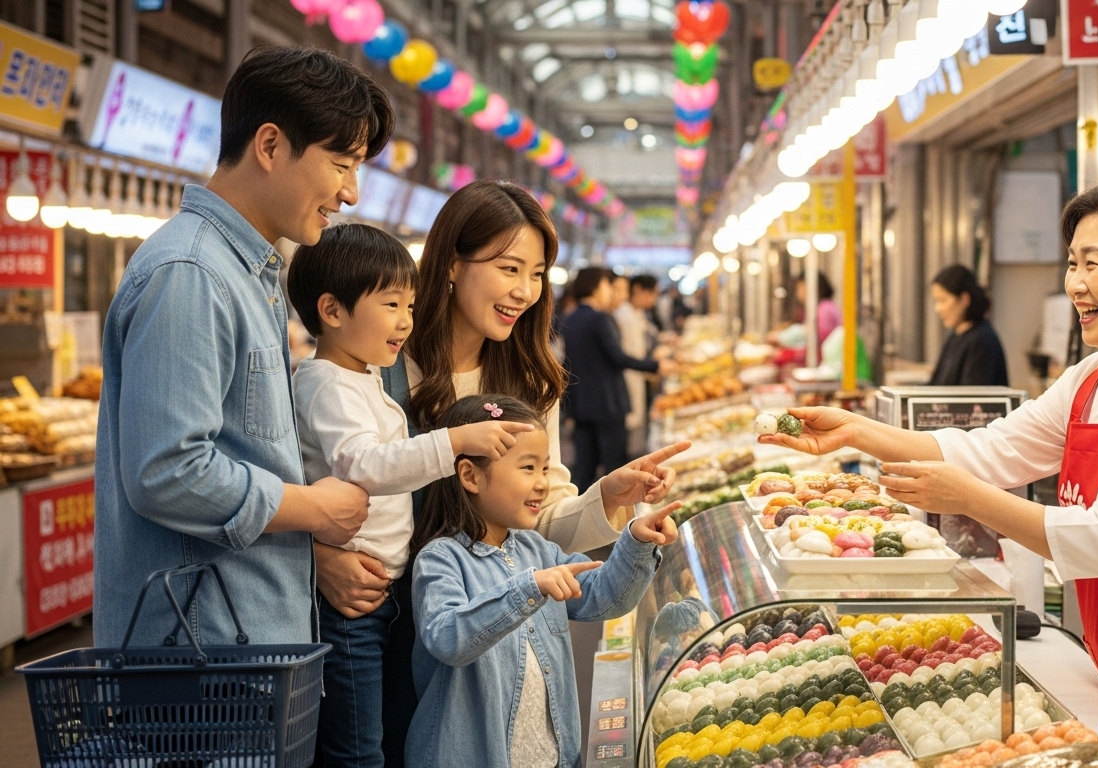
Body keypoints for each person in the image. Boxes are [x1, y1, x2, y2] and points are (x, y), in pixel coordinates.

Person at [761, 178, 1098, 768]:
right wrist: (856, 430)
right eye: (1071, 263)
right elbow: (991, 449)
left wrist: (970, 499)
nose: (1075, 283)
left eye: (1093, 263)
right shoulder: (1090, 379)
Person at [300, 180, 685, 768]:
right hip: (378, 613)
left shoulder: (528, 381)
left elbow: (539, 523)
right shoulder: (379, 356)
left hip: (486, 634)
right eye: (509, 268)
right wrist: (319, 554)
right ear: (453, 264)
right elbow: (309, 469)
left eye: (537, 274)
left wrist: (606, 498)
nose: (525, 291)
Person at [93, 46, 391, 647]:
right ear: (271, 145)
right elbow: (168, 472)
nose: (351, 193)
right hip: (200, 657)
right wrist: (313, 508)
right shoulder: (192, 273)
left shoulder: (249, 274)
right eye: (341, 164)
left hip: (241, 642)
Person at [286, 224, 537, 767]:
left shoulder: (361, 377)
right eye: (392, 305)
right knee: (358, 749)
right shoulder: (328, 384)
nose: (406, 321)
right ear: (331, 310)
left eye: (411, 306)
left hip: (383, 592)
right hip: (349, 605)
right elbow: (365, 464)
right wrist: (454, 442)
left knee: (381, 736)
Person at [404, 395, 678, 768]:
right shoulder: (440, 559)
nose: (542, 484)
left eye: (545, 468)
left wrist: (638, 540)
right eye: (528, 468)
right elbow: (448, 638)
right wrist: (527, 589)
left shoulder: (536, 548)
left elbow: (603, 596)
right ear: (470, 475)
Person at [561, 267, 673, 488]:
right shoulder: (600, 318)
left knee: (585, 467)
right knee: (614, 466)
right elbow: (617, 356)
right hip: (608, 402)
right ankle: (616, 509)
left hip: (582, 405)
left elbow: (568, 363)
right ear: (595, 287)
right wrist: (655, 365)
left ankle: (580, 507)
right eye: (606, 286)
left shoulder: (570, 317)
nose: (609, 291)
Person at [928, 265, 1009, 386]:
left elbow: (971, 395)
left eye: (943, 300)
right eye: (936, 301)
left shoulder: (981, 340)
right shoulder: (955, 336)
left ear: (964, 299)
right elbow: (935, 385)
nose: (937, 309)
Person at [616, 274, 662, 458]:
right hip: (630, 377)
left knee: (639, 427)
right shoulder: (623, 315)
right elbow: (628, 355)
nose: (654, 299)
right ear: (638, 290)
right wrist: (652, 365)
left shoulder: (638, 313)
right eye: (652, 294)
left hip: (640, 373)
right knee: (630, 431)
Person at [794, 272, 842, 344]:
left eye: (800, 288)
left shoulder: (825, 308)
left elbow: (821, 337)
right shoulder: (819, 307)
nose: (798, 293)